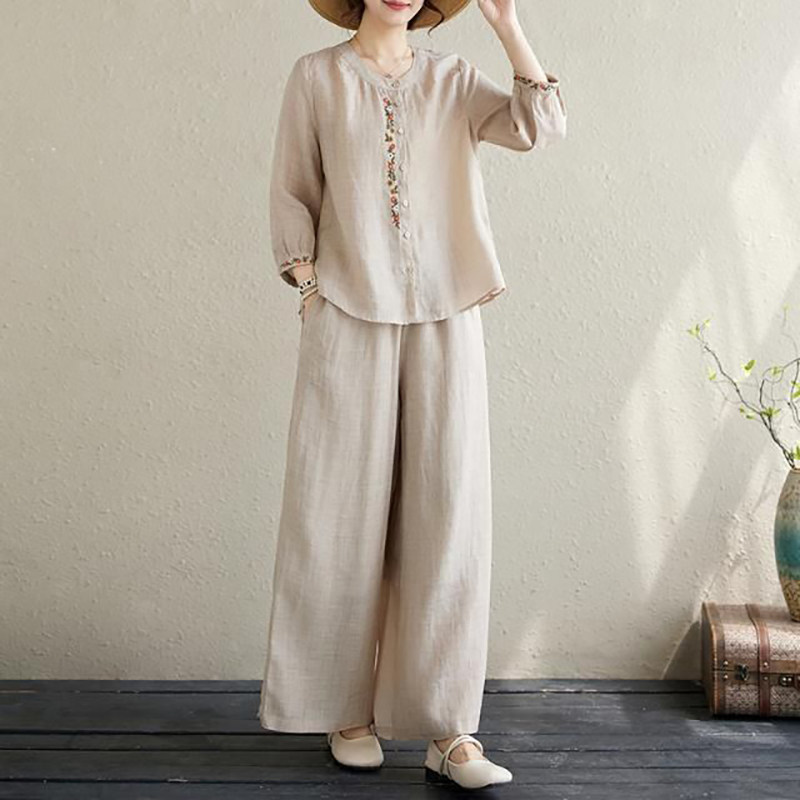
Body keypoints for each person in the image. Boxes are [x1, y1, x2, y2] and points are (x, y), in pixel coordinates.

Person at [258, 0, 567, 790]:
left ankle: (448, 730)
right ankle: (345, 712)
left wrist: (507, 26)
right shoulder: (316, 78)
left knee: (448, 513)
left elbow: (538, 127)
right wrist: (308, 284)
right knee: (336, 513)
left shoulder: (454, 78)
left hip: (446, 314)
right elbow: (293, 187)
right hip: (346, 310)